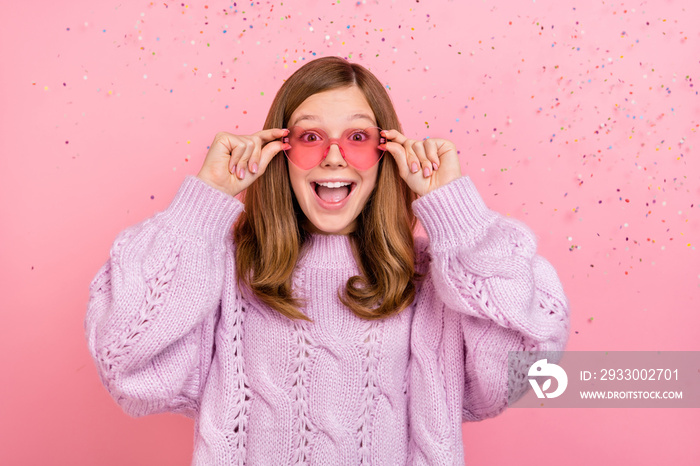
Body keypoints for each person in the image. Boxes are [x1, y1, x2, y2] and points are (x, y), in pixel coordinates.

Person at [84, 56, 570, 465]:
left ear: (387, 155)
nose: (334, 157)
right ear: (280, 152)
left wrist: (458, 219)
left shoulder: (436, 279)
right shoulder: (222, 273)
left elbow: (528, 368)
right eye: (311, 137)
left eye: (358, 139)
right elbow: (126, 364)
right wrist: (202, 206)